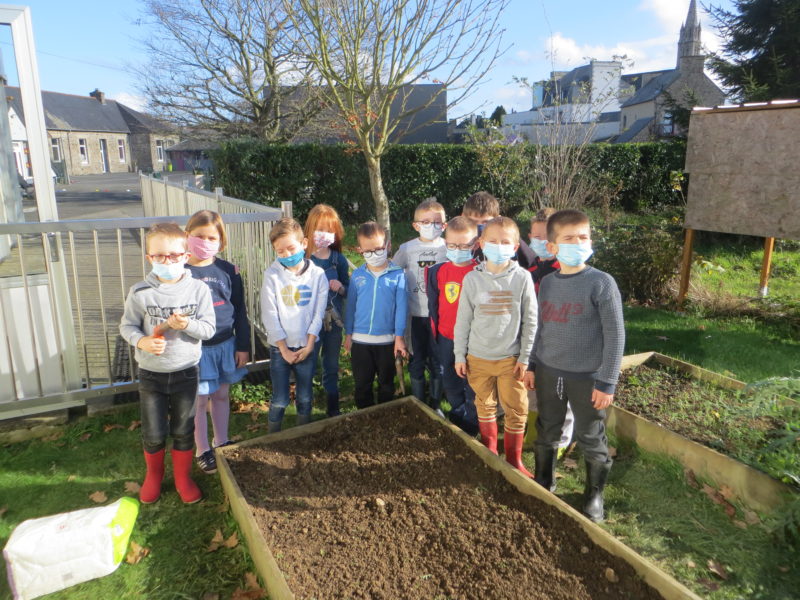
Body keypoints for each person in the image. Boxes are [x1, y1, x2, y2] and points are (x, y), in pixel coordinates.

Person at [524, 209, 625, 523]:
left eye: (583, 237)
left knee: (591, 435)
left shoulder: (601, 284)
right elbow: (538, 326)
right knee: (547, 428)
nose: (578, 243)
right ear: (553, 247)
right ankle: (544, 480)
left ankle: (593, 495)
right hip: (549, 372)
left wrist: (607, 381)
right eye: (569, 238)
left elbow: (615, 334)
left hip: (587, 377)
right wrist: (531, 364)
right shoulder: (548, 284)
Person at [119, 222, 216, 504]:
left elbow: (208, 329)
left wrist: (188, 324)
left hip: (186, 372)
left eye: (174, 255)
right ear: (149, 257)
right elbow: (127, 327)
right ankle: (154, 476)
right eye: (159, 256)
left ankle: (183, 478)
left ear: (186, 255)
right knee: (153, 432)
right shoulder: (139, 292)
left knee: (184, 429)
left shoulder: (198, 290)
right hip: (152, 375)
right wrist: (142, 342)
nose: (167, 261)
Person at [453, 217, 537, 476]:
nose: (498, 246)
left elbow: (531, 320)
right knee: (485, 404)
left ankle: (514, 459)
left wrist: (525, 357)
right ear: (481, 243)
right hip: (477, 357)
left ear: (514, 247)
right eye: (492, 241)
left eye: (505, 242)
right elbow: (463, 320)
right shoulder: (471, 280)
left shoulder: (522, 278)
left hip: (510, 359)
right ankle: (490, 450)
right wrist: (459, 354)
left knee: (516, 408)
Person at [184, 210, 250, 475]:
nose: (205, 241)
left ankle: (221, 441)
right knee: (199, 400)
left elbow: (240, 310)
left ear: (221, 240)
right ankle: (202, 450)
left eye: (212, 237)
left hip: (225, 345)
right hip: (196, 348)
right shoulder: (181, 271)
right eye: (199, 236)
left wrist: (243, 346)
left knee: (221, 395)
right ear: (187, 236)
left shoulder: (229, 270)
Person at [260, 218, 328, 433]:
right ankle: (271, 438)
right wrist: (283, 349)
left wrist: (309, 346)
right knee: (279, 398)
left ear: (304, 243)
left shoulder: (318, 276)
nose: (287, 255)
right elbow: (270, 314)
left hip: (307, 346)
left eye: (291, 248)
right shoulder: (271, 276)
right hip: (280, 348)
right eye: (280, 252)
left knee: (305, 396)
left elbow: (318, 314)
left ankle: (302, 435)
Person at [523, 207, 574, 456]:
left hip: (561, 341)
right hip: (535, 339)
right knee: (532, 385)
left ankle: (561, 441)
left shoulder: (564, 269)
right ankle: (534, 431)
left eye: (546, 238)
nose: (540, 242)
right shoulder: (530, 270)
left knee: (561, 392)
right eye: (536, 237)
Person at [344, 221, 408, 408]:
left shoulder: (398, 275)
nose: (374, 254)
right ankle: (363, 419)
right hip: (360, 342)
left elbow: (401, 308)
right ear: (360, 250)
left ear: (387, 246)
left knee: (386, 385)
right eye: (368, 251)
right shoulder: (357, 276)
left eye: (379, 249)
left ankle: (384, 417)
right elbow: (351, 306)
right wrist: (349, 334)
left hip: (387, 342)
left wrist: (399, 337)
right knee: (362, 385)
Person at [392, 198, 447, 413]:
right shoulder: (407, 248)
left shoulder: (447, 247)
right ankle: (417, 402)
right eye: (425, 222)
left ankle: (435, 403)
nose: (431, 226)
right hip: (414, 316)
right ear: (416, 225)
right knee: (415, 360)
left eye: (436, 222)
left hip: (439, 317)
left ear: (444, 225)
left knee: (437, 361)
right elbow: (393, 271)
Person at [426, 216, 479, 435]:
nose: (458, 249)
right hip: (446, 338)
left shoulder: (481, 272)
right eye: (452, 245)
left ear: (475, 245)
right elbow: (433, 306)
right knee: (450, 379)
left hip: (473, 341)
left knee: (473, 383)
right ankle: (457, 414)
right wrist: (436, 336)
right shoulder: (437, 271)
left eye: (464, 245)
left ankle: (473, 420)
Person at [304, 204, 350, 417]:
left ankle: (333, 408)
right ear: (310, 229)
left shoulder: (338, 259)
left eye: (329, 230)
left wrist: (340, 287)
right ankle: (306, 408)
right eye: (320, 229)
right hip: (309, 324)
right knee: (309, 363)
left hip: (334, 321)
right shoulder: (303, 260)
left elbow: (348, 290)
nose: (324, 234)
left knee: (331, 365)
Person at [461, 191, 537, 269]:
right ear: (463, 217)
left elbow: (532, 265)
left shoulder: (508, 240)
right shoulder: (457, 241)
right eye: (472, 222)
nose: (479, 226)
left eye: (486, 222)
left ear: (498, 219)